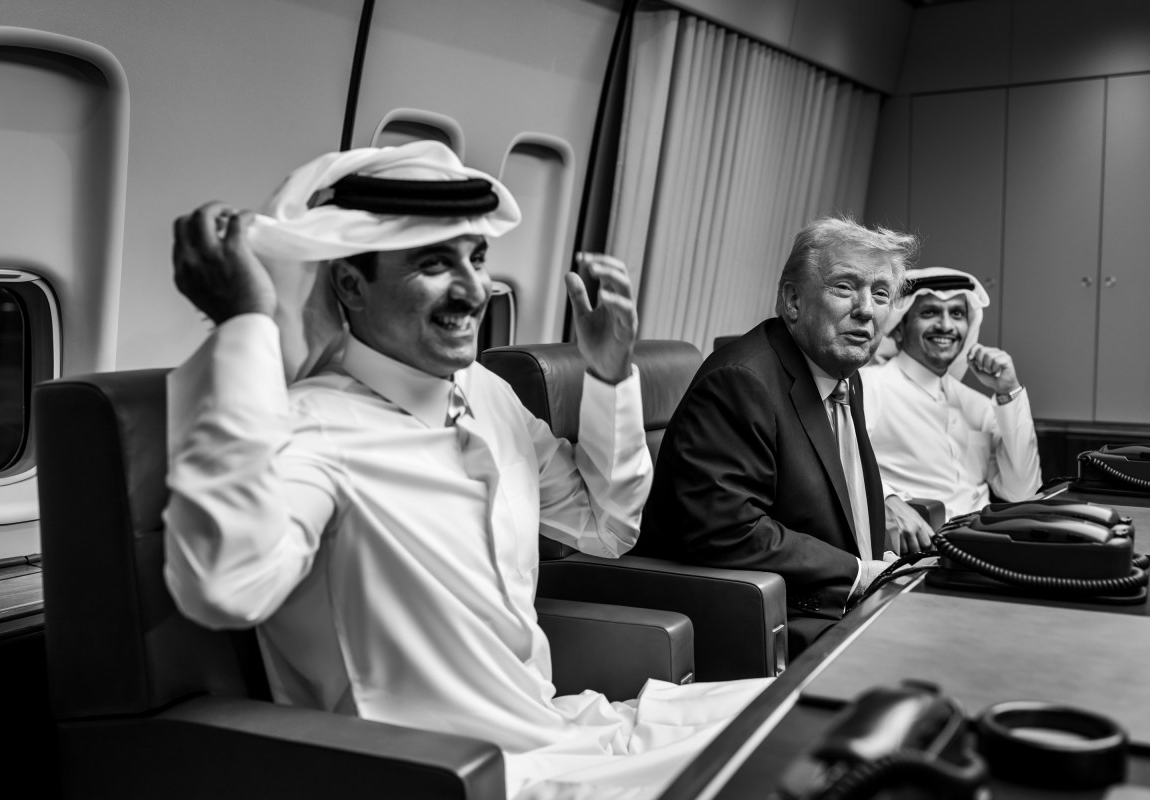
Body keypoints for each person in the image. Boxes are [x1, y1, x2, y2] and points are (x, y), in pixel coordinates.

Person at [163, 140, 770, 800]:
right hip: (461, 776)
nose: (475, 289)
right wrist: (245, 324)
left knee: (796, 714)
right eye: (434, 264)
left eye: (477, 259)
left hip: (560, 730)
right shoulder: (313, 428)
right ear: (350, 284)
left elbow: (607, 528)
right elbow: (229, 587)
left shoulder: (486, 392)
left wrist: (606, 376)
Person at [635, 216, 932, 656]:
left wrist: (881, 568)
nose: (866, 309)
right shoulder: (742, 381)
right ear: (793, 300)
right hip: (766, 621)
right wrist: (858, 574)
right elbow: (727, 532)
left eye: (881, 294)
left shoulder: (841, 370)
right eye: (845, 287)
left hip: (842, 602)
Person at [861, 267, 1042, 520]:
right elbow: (843, 464)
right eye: (930, 312)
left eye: (957, 313)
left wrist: (1009, 392)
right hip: (916, 540)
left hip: (985, 536)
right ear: (899, 329)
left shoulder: (979, 404)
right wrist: (888, 499)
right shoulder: (869, 386)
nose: (946, 325)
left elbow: (1022, 491)